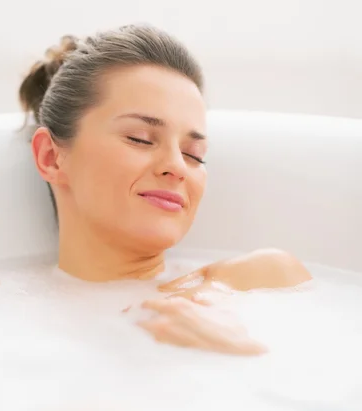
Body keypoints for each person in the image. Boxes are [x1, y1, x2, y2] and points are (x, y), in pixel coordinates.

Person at [17, 25, 311, 356]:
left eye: (193, 154)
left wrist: (241, 351)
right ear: (51, 157)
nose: (177, 166)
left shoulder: (260, 281)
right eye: (140, 138)